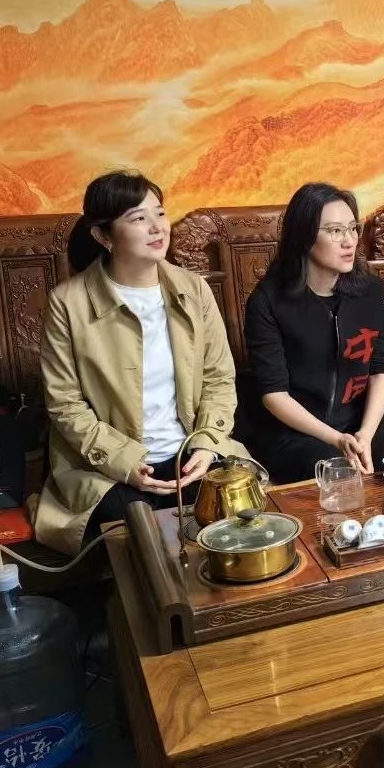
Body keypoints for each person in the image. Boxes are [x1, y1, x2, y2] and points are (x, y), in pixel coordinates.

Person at [34, 171, 247, 555]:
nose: (157, 227)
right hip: (109, 468)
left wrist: (207, 445)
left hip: (190, 455)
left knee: (241, 520)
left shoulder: (193, 289)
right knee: (140, 543)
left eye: (160, 213)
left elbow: (219, 377)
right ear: (103, 236)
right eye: (138, 218)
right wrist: (125, 461)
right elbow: (65, 404)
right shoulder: (68, 303)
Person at [244, 182, 384, 482]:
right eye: (335, 231)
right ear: (304, 237)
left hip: (360, 420)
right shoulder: (268, 300)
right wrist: (336, 439)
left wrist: (366, 434)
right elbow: (273, 394)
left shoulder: (370, 291)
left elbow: (382, 369)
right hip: (297, 430)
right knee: (334, 473)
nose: (349, 241)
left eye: (352, 228)